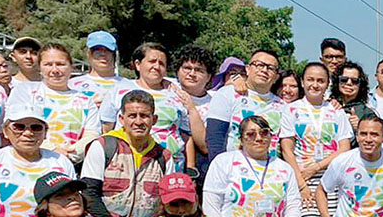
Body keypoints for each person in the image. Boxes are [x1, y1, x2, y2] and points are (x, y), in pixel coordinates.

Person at [80, 91, 176, 217]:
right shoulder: (103, 146)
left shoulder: (164, 157)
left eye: (144, 116)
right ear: (121, 119)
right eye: (132, 116)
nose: (138, 121)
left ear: (154, 119)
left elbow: (167, 205)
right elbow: (89, 195)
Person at [280, 63, 353, 217]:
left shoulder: (336, 112)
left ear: (327, 84)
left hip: (331, 178)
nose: (315, 84)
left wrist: (317, 167)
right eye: (310, 79)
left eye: (321, 80)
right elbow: (287, 149)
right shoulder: (291, 110)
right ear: (302, 82)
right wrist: (301, 182)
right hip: (302, 178)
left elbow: (344, 148)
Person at [99, 42, 203, 172]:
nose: (157, 67)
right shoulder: (119, 89)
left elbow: (186, 135)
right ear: (138, 64)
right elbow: (106, 128)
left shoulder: (176, 93)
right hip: (125, 166)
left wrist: (190, 168)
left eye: (162, 64)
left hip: (171, 168)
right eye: (152, 61)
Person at [5, 43, 101, 165]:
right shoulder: (24, 91)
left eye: (60, 64)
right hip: (29, 163)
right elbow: (13, 126)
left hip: (70, 165)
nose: (55, 70)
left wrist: (72, 153)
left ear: (71, 66)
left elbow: (92, 133)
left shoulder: (86, 100)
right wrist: (53, 150)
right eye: (48, 64)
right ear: (39, 67)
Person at [205, 49, 287, 164]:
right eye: (259, 65)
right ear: (248, 69)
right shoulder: (227, 94)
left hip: (270, 171)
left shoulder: (283, 106)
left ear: (276, 77)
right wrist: (219, 168)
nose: (264, 70)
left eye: (270, 68)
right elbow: (215, 139)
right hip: (233, 169)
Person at [172, 45, 217, 177]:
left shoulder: (216, 102)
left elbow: (205, 146)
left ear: (209, 76)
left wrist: (191, 109)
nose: (192, 74)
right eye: (187, 68)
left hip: (198, 170)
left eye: (199, 70)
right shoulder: (166, 91)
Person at [69, 31, 131, 110]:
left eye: (107, 50)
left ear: (114, 54)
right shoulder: (72, 85)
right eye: (97, 51)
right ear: (88, 54)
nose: (102, 55)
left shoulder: (128, 86)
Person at [332, 61, 371, 132]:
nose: (349, 83)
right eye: (344, 79)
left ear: (361, 85)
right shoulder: (328, 105)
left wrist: (360, 129)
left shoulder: (367, 113)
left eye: (354, 81)